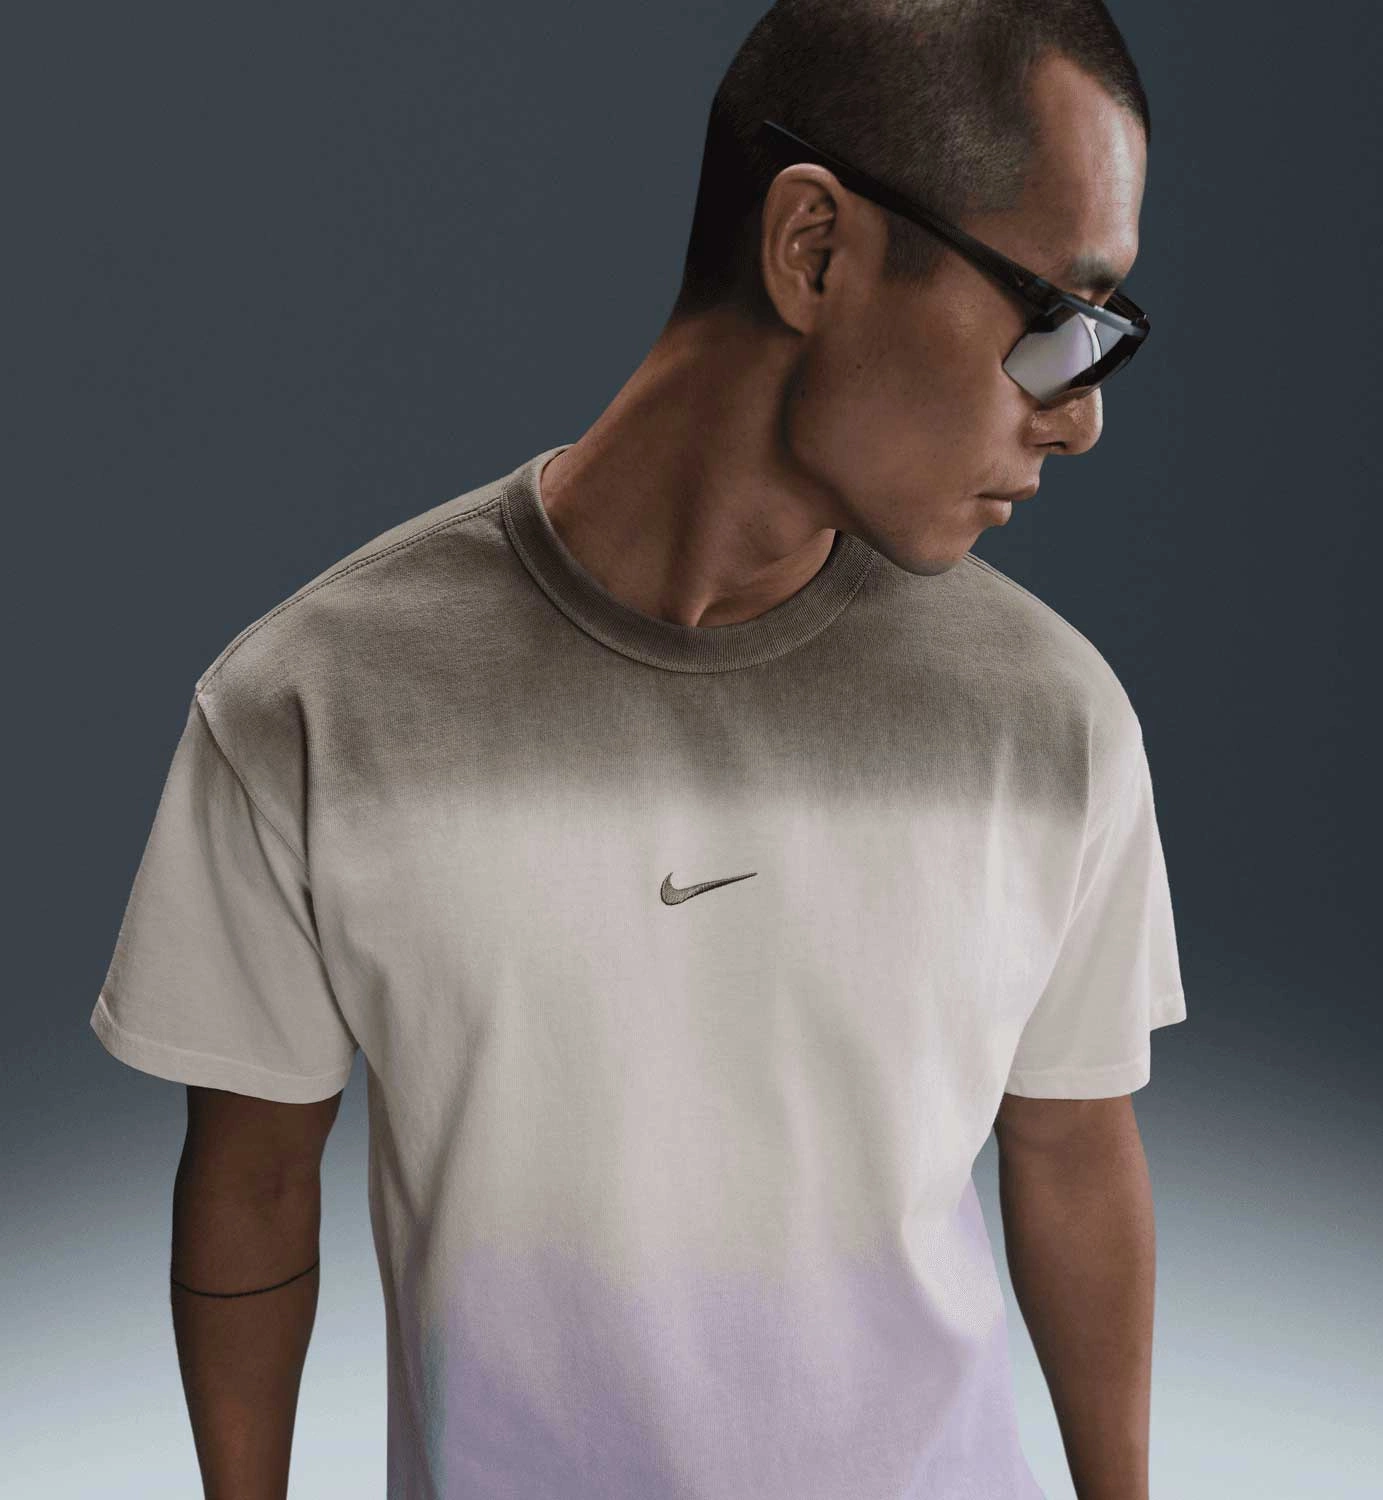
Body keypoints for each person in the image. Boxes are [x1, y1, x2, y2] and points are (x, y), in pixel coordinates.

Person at [90, 1, 1187, 1496]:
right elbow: (252, 1184)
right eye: (1059, 319)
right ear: (814, 249)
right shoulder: (311, 705)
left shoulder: (1051, 720)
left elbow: (1071, 1154)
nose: (1081, 421)